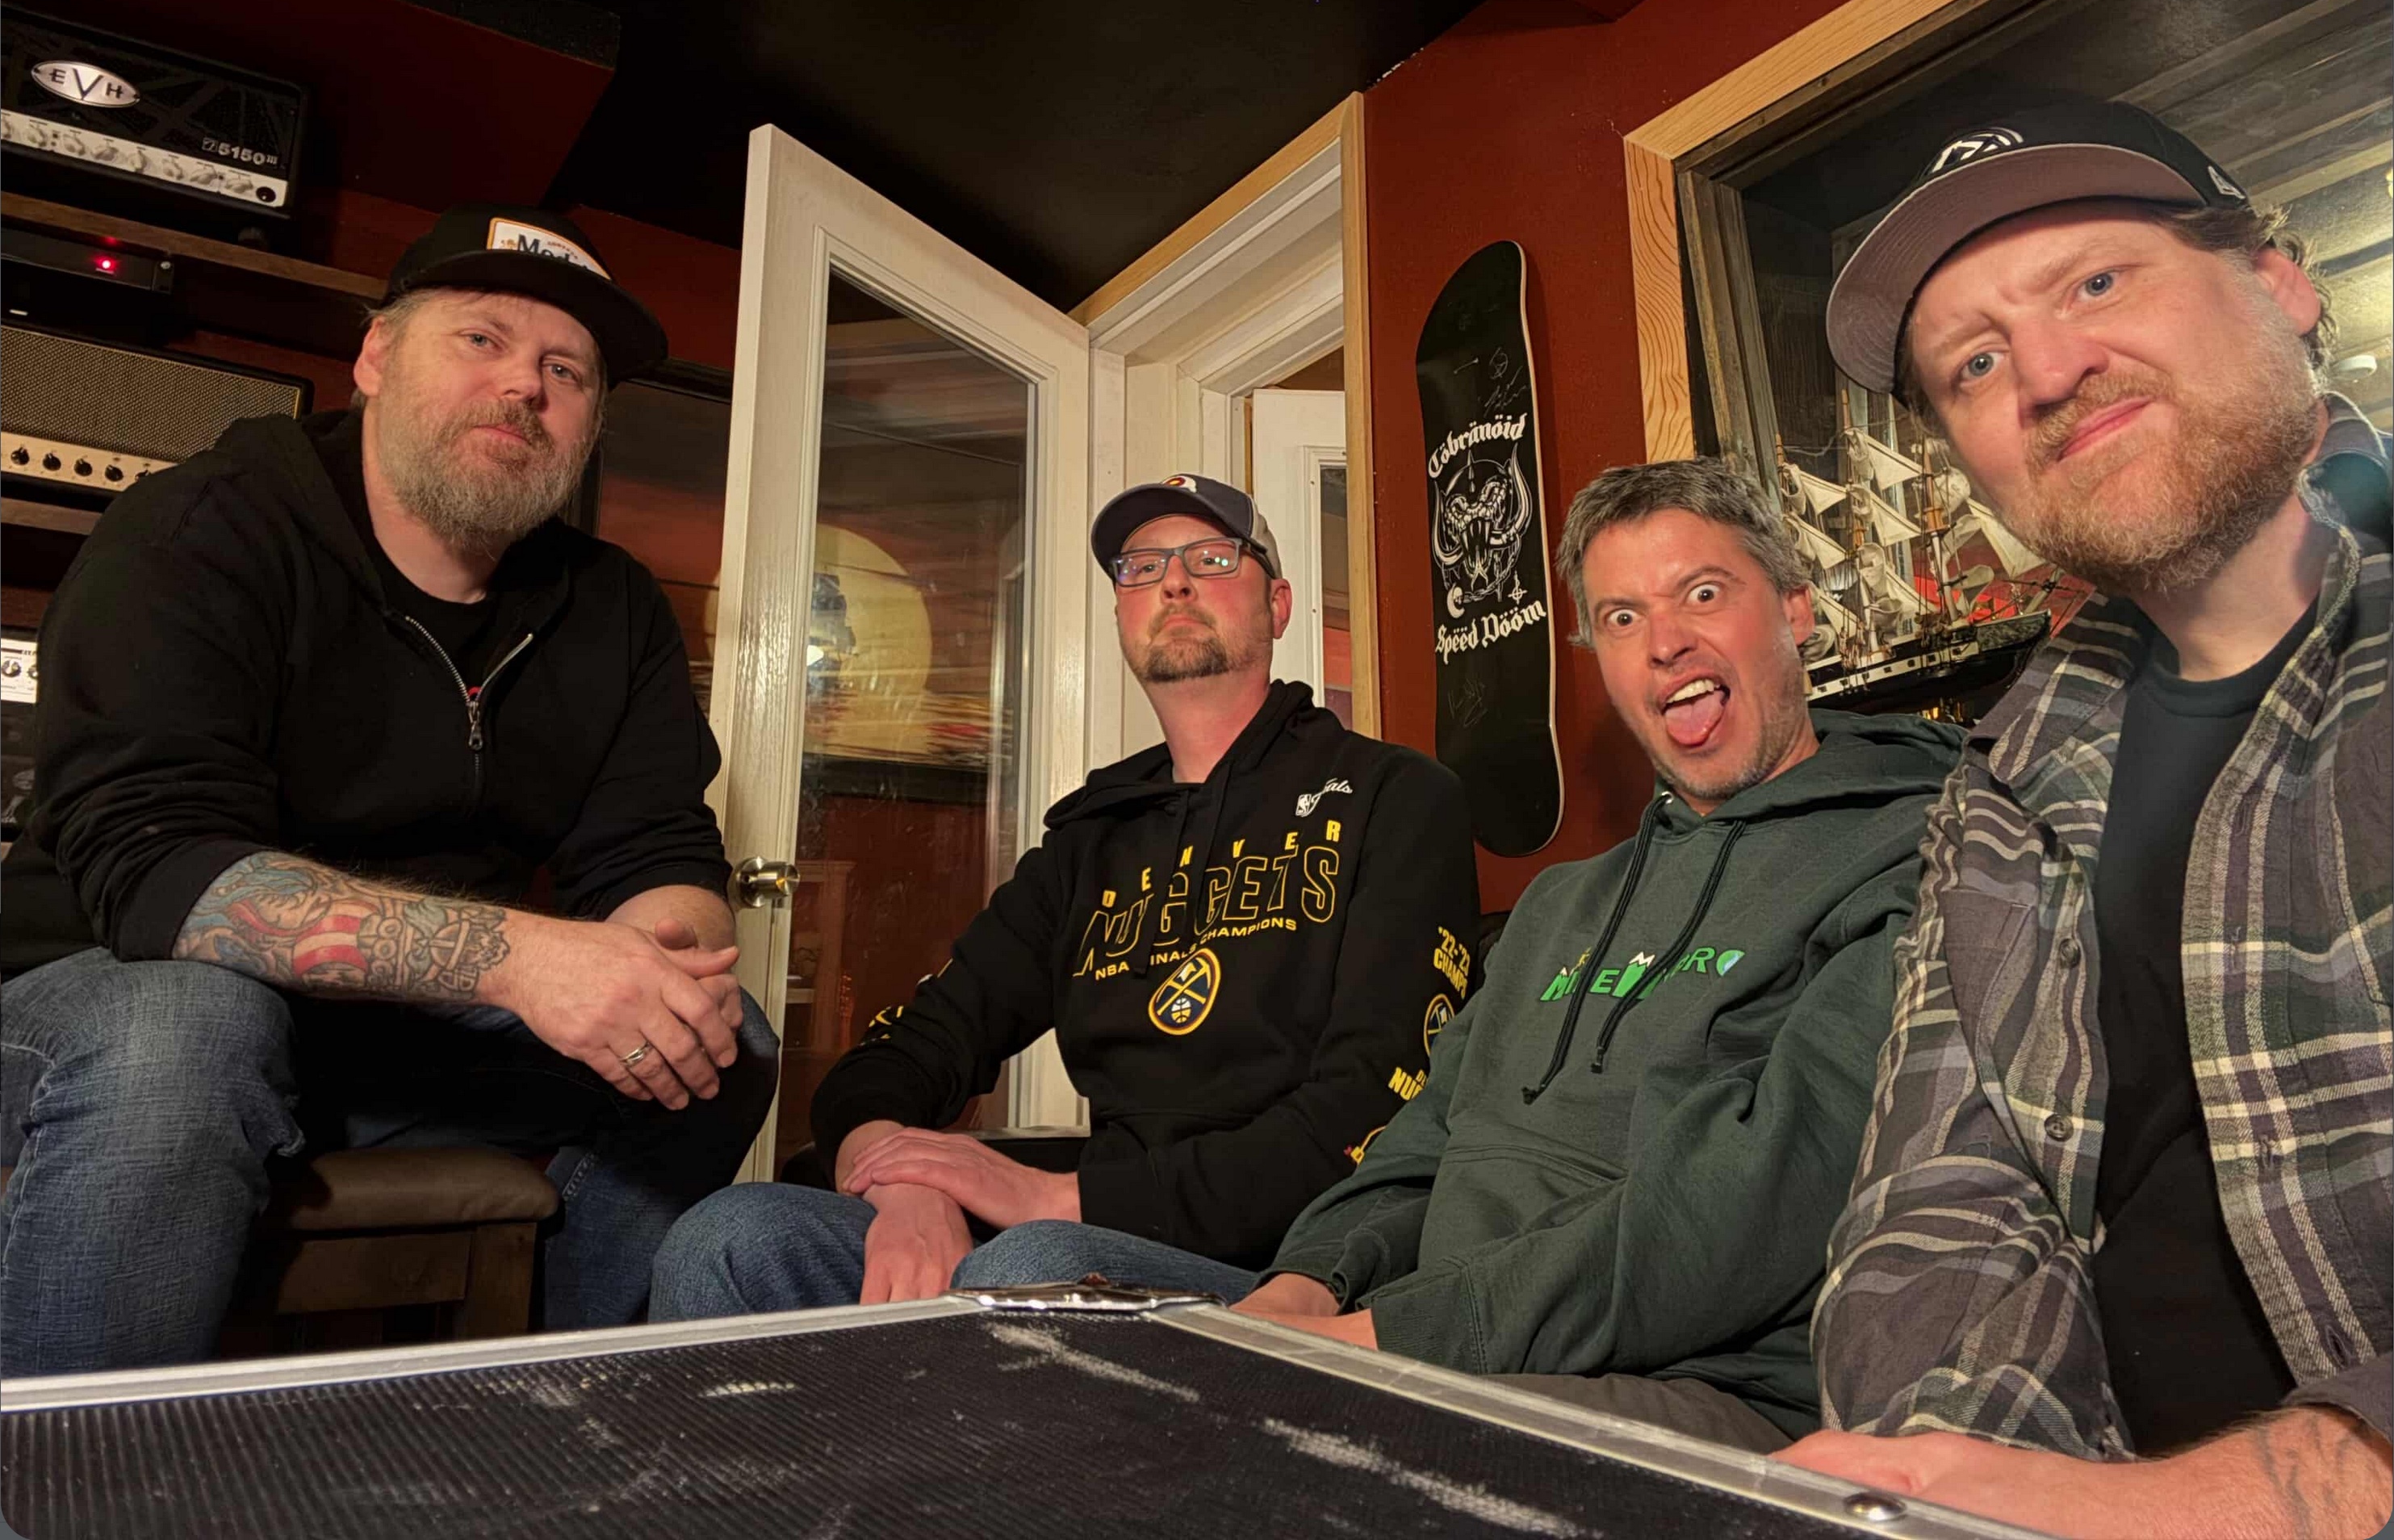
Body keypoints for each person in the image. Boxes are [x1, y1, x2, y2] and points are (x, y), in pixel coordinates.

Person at [0, 205, 780, 1375]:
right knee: (191, 1024)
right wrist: (523, 958)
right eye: (482, 338)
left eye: (566, 370)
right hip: (99, 995)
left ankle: (535, 1411)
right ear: (374, 356)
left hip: (392, 1035)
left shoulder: (611, 605)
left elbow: (654, 847)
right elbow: (163, 872)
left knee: (717, 1046)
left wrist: (659, 964)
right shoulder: (203, 525)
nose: (523, 385)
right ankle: (71, 1464)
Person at [1787, 100, 2391, 1538]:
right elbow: (1942, 1193)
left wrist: (2286, 1489)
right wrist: (1976, 1481)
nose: (2049, 373)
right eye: (1976, 361)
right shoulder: (2002, 780)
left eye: (2097, 281)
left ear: (2278, 281)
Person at [1230, 457, 1961, 1452]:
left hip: (1695, 1383)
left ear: (1795, 609)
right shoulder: (1558, 903)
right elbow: (1424, 1140)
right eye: (1621, 616)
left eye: (1701, 593)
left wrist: (1385, 1340)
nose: (1664, 641)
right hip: (1429, 1337)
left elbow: (1755, 1200)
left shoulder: (1915, 854)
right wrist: (1300, 1286)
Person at [651, 475, 1478, 1316]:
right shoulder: (1092, 838)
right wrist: (908, 1181)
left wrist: (1054, 1197)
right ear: (1122, 611)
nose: (1174, 581)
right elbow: (906, 1052)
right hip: (1093, 1232)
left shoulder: (1393, 796)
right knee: (731, 1232)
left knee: (1033, 1259)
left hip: (1290, 1261)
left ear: (1279, 604)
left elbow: (1374, 1107)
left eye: (1211, 557)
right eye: (1142, 565)